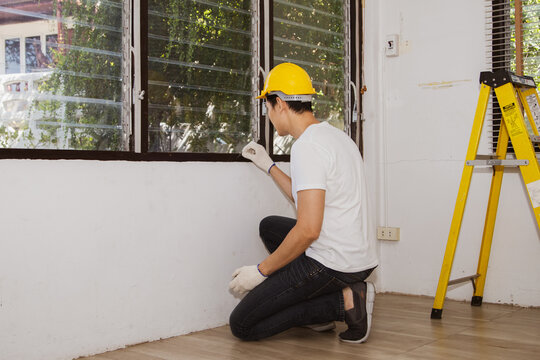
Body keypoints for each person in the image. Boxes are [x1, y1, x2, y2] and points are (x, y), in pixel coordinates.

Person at [228, 62, 378, 343]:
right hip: (358, 255)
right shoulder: (334, 136)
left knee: (243, 325)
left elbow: (309, 230)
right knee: (270, 226)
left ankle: (342, 302)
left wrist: (261, 271)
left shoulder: (307, 147)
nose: (269, 115)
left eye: (268, 108)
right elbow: (306, 196)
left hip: (334, 263)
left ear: (281, 104)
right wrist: (269, 165)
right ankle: (323, 310)